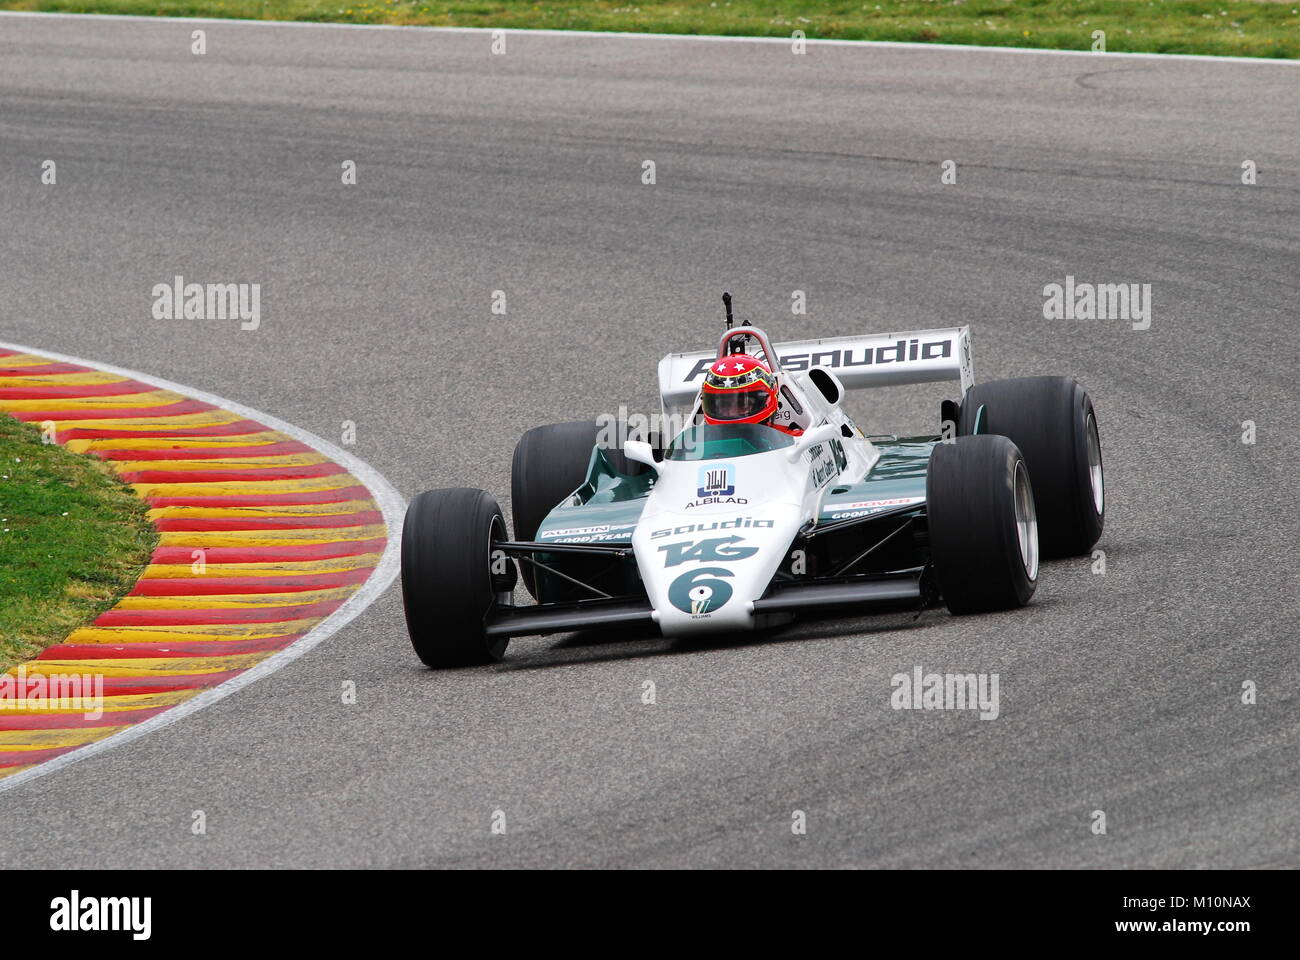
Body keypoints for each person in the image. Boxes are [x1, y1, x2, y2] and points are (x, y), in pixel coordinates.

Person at [699, 354, 802, 435]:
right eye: (723, 405)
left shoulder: (793, 441)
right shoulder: (697, 447)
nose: (731, 413)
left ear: (766, 400)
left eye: (742, 405)